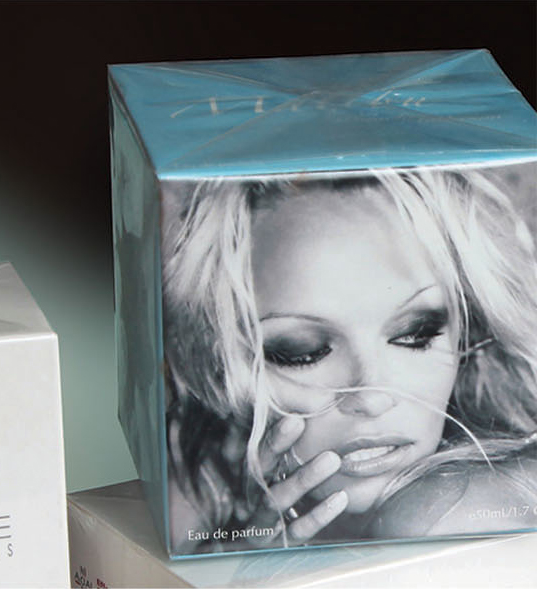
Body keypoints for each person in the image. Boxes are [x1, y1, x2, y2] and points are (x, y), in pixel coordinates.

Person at [162, 166, 537, 553]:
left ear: (467, 331)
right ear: (222, 359)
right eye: (301, 352)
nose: (371, 397)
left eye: (415, 335)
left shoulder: (455, 515)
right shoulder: (189, 501)